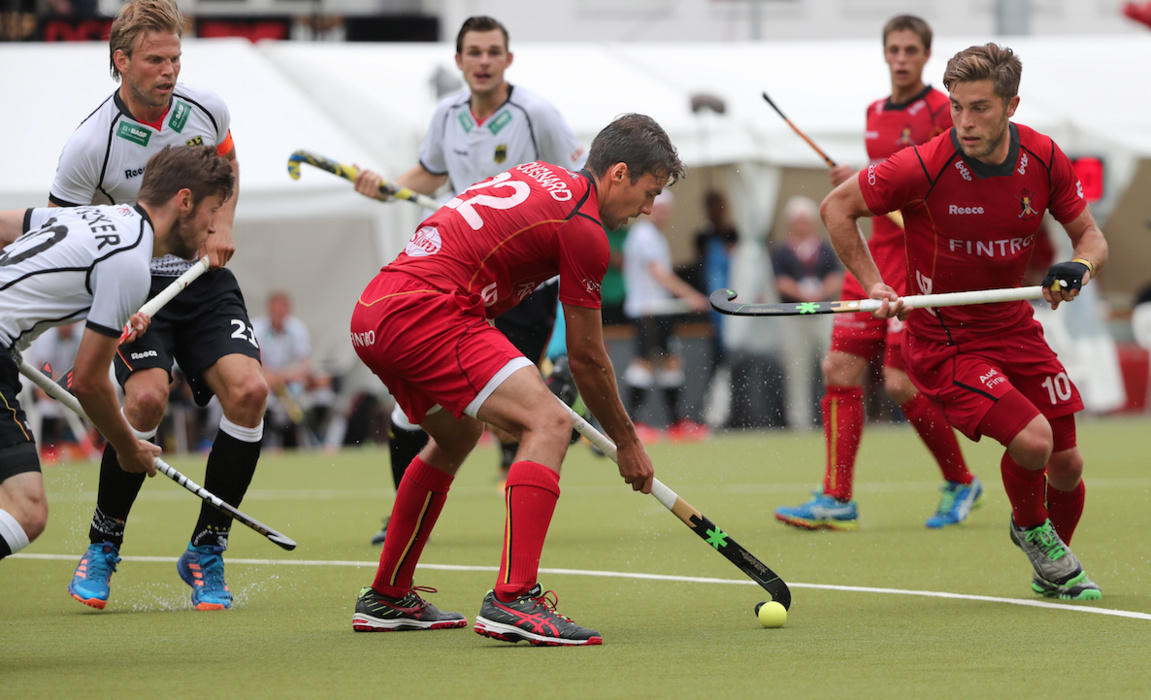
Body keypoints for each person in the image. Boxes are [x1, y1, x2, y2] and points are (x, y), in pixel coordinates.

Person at [349, 113, 681, 646]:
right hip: (428, 313)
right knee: (549, 421)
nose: (647, 209)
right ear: (619, 172)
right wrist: (627, 441)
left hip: (375, 310)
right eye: (649, 192)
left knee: (455, 435)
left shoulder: (538, 174)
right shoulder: (586, 228)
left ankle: (387, 596)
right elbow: (588, 358)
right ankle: (514, 599)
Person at [821, 43, 1107, 600]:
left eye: (979, 107)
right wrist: (876, 281)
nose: (965, 122)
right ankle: (1032, 531)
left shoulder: (1045, 158)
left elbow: (1091, 238)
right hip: (946, 341)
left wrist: (1080, 266)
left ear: (1011, 106)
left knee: (1067, 464)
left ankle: (1048, 566)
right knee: (1033, 440)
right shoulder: (924, 164)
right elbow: (837, 207)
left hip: (1015, 327)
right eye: (956, 106)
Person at [53, 0, 267, 612]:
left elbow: (226, 164)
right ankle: (103, 545)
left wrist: (221, 221)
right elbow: (63, 238)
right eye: (155, 60)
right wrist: (105, 300)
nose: (169, 70)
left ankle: (207, 548)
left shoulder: (206, 108)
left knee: (250, 391)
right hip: (130, 284)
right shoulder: (88, 145)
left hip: (202, 277)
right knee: (146, 397)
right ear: (121, 62)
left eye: (175, 57)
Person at [354, 15, 588, 544]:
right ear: (459, 62)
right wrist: (385, 185)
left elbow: (580, 182)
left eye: (492, 52)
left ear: (508, 59)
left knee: (513, 408)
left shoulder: (537, 114)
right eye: (473, 53)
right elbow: (428, 173)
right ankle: (403, 514)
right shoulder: (447, 115)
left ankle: (554, 411)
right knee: (415, 408)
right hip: (458, 280)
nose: (483, 61)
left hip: (523, 282)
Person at [775, 15, 979, 531]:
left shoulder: (942, 111)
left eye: (912, 49)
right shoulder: (872, 113)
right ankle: (837, 496)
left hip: (915, 264)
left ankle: (961, 480)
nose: (902, 58)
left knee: (899, 382)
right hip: (867, 261)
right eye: (895, 49)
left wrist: (864, 189)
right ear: (885, 54)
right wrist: (857, 185)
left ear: (926, 56)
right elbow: (882, 187)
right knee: (838, 371)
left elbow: (932, 200)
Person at [0, 145, 234, 564]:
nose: (214, 228)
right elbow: (89, 384)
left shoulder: (94, 216)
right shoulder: (130, 264)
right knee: (26, 512)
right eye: (212, 211)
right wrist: (129, 447)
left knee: (23, 502)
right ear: (184, 201)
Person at [621, 191, 710, 442]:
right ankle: (635, 423)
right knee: (645, 362)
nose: (663, 213)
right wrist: (690, 296)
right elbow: (659, 273)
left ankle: (675, 422)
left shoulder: (652, 235)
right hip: (648, 309)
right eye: (659, 208)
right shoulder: (644, 235)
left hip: (660, 309)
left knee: (670, 360)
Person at [769, 196, 843, 429]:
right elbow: (779, 281)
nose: (802, 226)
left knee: (831, 366)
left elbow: (836, 276)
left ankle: (835, 416)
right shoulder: (781, 252)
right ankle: (799, 422)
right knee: (796, 370)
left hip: (823, 314)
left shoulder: (824, 248)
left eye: (805, 221)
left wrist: (820, 293)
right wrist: (803, 295)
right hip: (793, 316)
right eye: (798, 221)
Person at [252, 291, 334, 449]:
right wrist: (283, 377)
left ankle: (318, 435)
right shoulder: (257, 328)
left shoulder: (296, 327)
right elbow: (256, 366)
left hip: (289, 382)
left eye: (282, 311)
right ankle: (266, 440)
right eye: (276, 311)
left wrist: (300, 376)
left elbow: (305, 362)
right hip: (266, 380)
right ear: (269, 310)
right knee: (262, 389)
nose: (279, 315)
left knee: (323, 384)